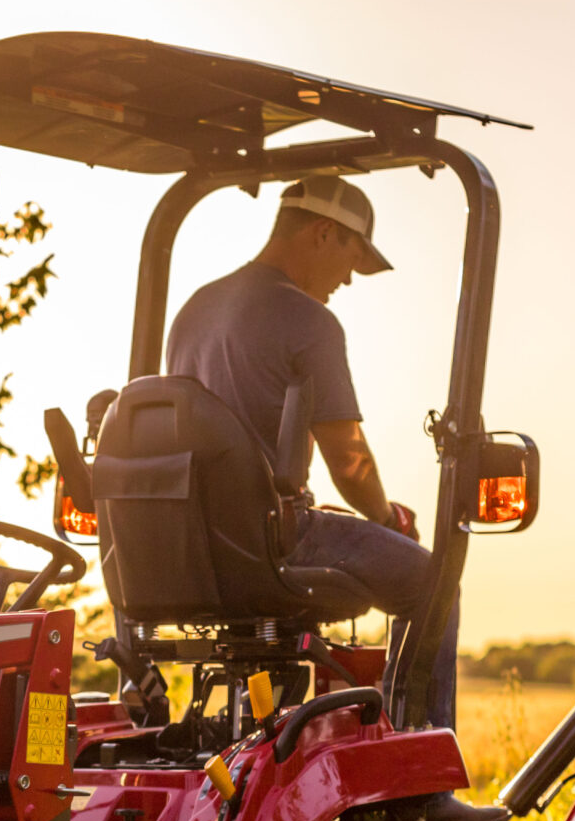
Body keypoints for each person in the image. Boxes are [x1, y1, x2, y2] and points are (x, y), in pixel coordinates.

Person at [165, 175, 458, 729]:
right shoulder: (309, 320)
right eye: (352, 258)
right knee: (432, 581)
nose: (349, 279)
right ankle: (422, 750)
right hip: (274, 537)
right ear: (324, 233)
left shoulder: (193, 310)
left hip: (191, 542)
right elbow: (348, 459)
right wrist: (387, 517)